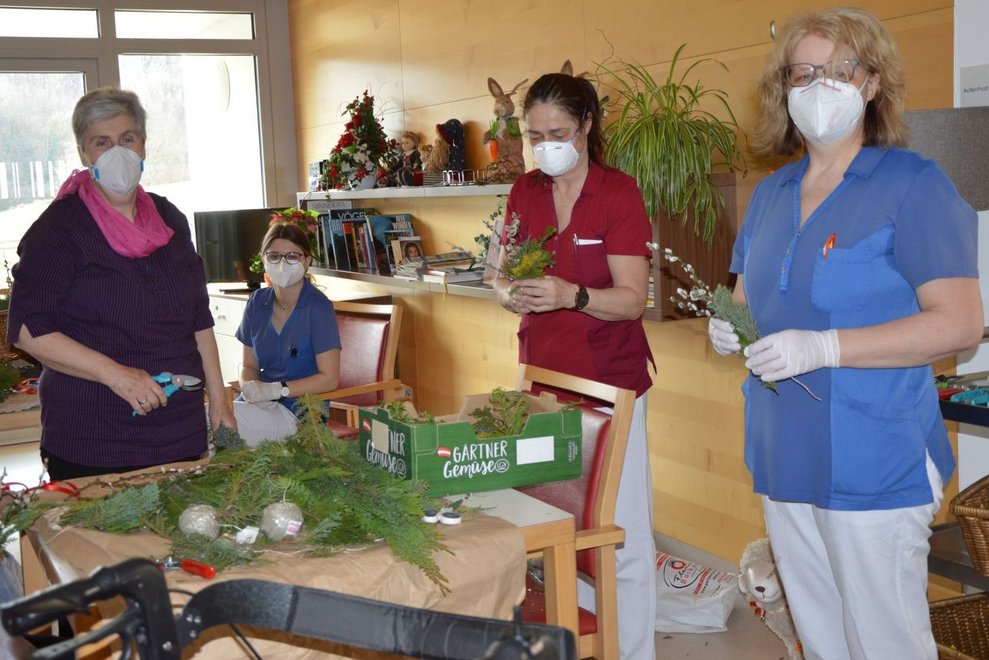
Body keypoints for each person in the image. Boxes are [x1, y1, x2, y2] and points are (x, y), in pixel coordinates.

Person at [708, 8, 983, 659]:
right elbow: (746, 299)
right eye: (802, 72)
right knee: (821, 637)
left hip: (874, 455)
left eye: (837, 70)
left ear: (871, 83)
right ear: (782, 89)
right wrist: (726, 325)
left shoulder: (911, 185)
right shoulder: (771, 194)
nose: (817, 85)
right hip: (784, 450)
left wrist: (826, 347)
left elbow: (959, 323)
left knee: (883, 641)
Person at [492, 72, 656, 660]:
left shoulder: (618, 193)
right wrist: (504, 289)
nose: (544, 144)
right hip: (541, 381)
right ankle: (566, 641)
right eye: (534, 134)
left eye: (557, 131)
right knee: (549, 524)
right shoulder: (524, 192)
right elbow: (499, 267)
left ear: (586, 126)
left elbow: (634, 299)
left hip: (609, 387)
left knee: (620, 533)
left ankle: (632, 652)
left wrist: (572, 296)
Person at [6, 87, 236, 481]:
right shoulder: (59, 228)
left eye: (127, 139)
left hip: (180, 432)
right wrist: (117, 374)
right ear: (84, 154)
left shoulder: (169, 219)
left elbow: (198, 318)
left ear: (143, 146)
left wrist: (219, 400)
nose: (118, 152)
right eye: (102, 142)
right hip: (95, 439)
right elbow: (28, 330)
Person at [234, 221, 341, 445]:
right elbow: (249, 366)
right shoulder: (257, 303)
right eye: (274, 257)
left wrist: (277, 390)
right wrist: (250, 387)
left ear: (307, 261)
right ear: (263, 260)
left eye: (292, 256)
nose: (282, 263)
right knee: (209, 416)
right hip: (260, 406)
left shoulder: (318, 308)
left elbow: (329, 379)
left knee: (222, 422)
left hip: (301, 414)